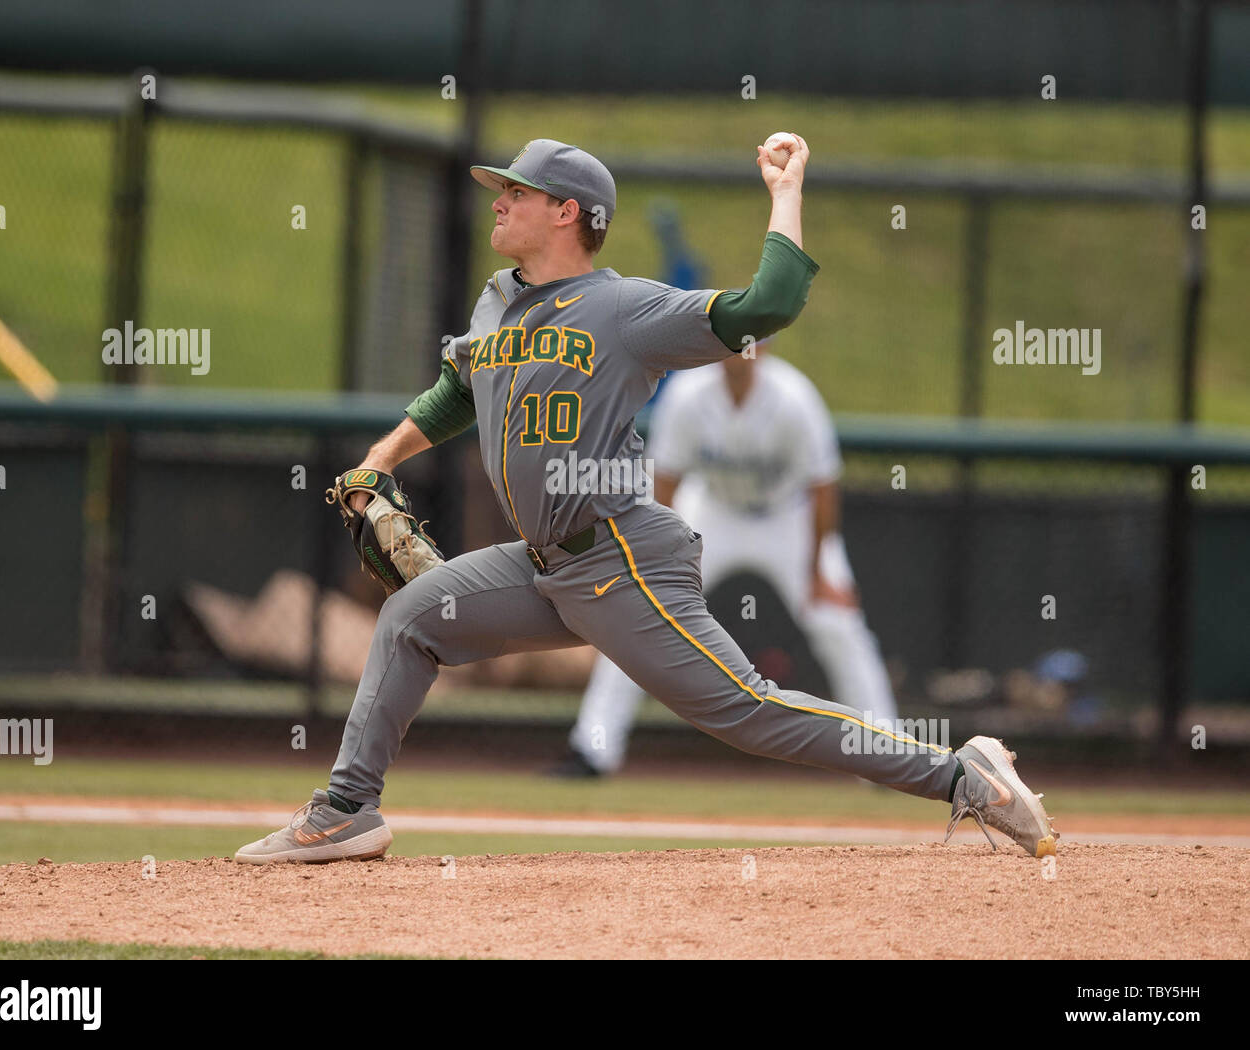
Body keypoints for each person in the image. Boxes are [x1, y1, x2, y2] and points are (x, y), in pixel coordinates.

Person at [235, 136, 1058, 864]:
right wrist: (381, 458)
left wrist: (785, 195)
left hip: (622, 560)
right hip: (547, 566)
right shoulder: (496, 303)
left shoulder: (625, 309)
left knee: (749, 712)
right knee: (414, 618)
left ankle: (961, 772)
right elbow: (458, 388)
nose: (501, 199)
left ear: (566, 212)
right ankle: (347, 810)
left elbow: (764, 307)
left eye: (516, 191)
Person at [554, 340, 899, 777]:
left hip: (787, 518)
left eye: (753, 339)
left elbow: (822, 490)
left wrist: (816, 573)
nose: (741, 350)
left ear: (768, 347)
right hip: (713, 512)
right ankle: (592, 749)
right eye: (732, 338)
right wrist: (657, 563)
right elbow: (666, 484)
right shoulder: (688, 396)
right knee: (639, 613)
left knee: (836, 621)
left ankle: (889, 754)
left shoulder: (795, 398)